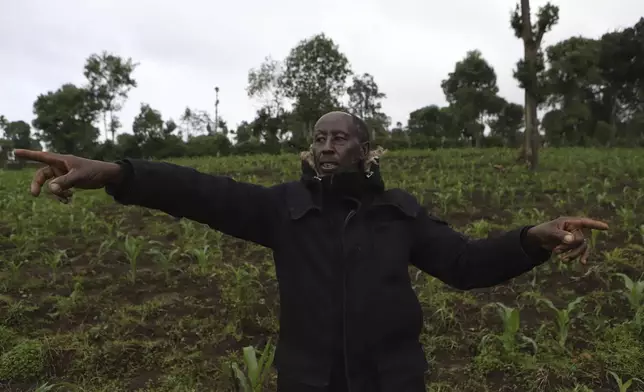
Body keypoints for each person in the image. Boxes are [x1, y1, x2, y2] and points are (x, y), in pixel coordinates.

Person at [14, 111, 608, 392]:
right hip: (308, 383)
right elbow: (199, 192)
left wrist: (532, 237)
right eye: (319, 138)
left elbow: (465, 264)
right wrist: (118, 172)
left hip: (395, 382)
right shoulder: (284, 210)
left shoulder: (399, 213)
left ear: (366, 152)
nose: (326, 146)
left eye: (340, 137)